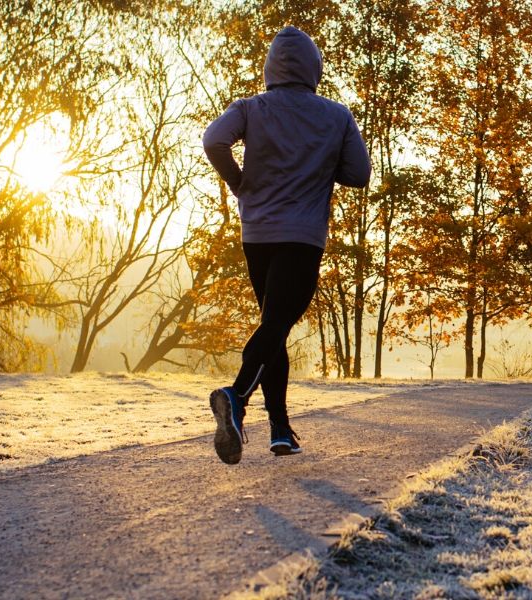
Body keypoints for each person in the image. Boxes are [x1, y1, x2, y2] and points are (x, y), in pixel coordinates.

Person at [201, 26, 369, 465]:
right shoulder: (336, 116)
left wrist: (241, 184)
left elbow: (213, 140)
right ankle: (236, 397)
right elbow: (359, 174)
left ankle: (280, 429)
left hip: (256, 234)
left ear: (270, 68)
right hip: (302, 235)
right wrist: (320, 162)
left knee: (273, 327)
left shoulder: (251, 108)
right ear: (314, 68)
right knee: (275, 325)